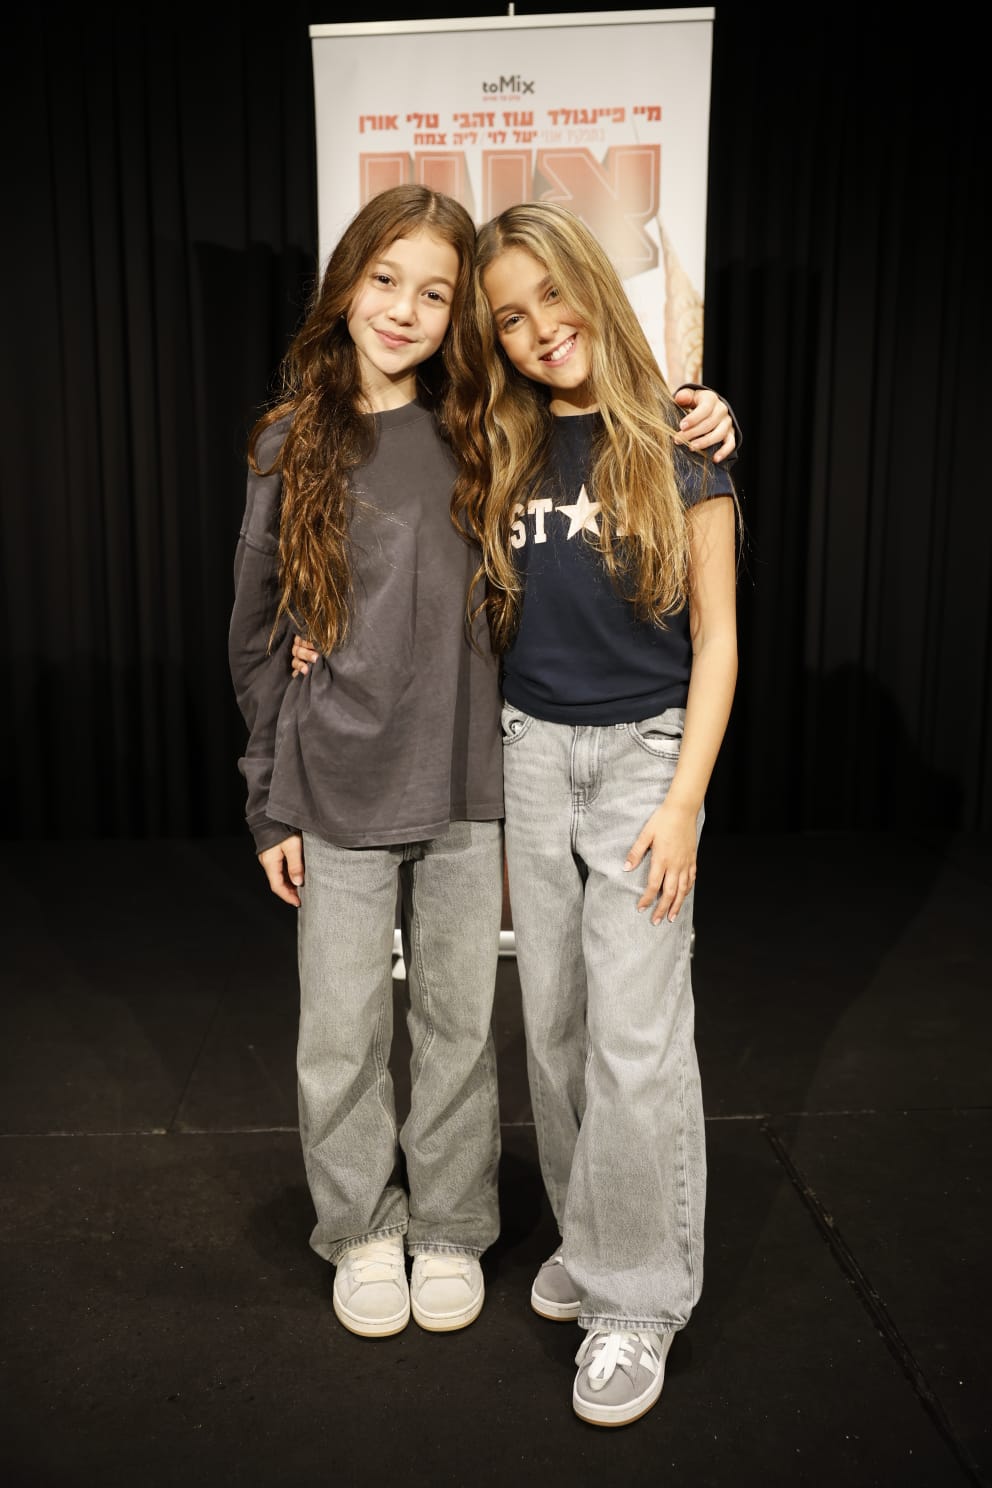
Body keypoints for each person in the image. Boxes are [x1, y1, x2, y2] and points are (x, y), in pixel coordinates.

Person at [242, 186, 736, 1347]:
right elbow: (262, 621)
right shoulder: (331, 437)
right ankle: (371, 1227)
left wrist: (704, 410)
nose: (405, 310)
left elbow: (658, 579)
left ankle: (472, 1232)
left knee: (481, 1028)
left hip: (486, 778)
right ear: (346, 284)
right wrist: (270, 788)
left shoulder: (487, 429)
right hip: (379, 779)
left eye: (435, 294)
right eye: (385, 281)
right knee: (380, 1032)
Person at [459, 202, 740, 1428]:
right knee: (557, 1024)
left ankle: (638, 1299)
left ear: (589, 283)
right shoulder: (500, 442)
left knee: (634, 1036)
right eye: (508, 317)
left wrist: (681, 802)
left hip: (642, 761)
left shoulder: (680, 440)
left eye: (550, 296)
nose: (537, 329)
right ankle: (595, 1232)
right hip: (531, 754)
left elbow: (717, 641)